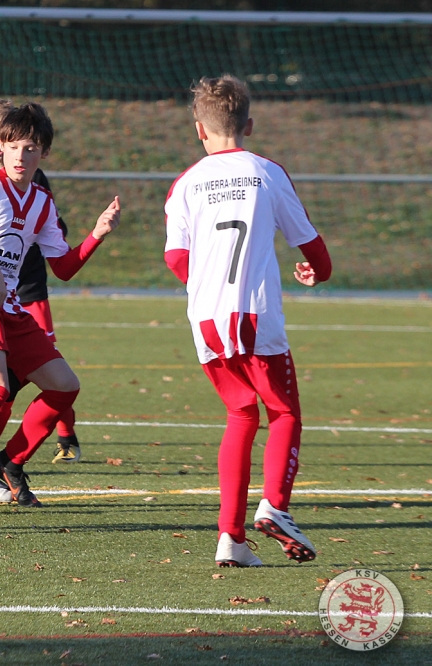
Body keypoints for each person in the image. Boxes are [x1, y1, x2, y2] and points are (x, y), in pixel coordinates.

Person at [164, 74, 332, 566]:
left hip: (207, 318)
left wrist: (208, 285)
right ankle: (275, 506)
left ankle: (231, 538)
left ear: (200, 129)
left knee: (240, 414)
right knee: (284, 413)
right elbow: (311, 245)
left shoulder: (185, 183)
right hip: (256, 312)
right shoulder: (267, 172)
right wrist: (318, 273)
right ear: (249, 125)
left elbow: (176, 258)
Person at [0, 102, 120, 507]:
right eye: (12, 146)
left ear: (43, 152)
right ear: (0, 146)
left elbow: (63, 267)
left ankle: (8, 462)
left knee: (65, 386)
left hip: (9, 308)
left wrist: (97, 234)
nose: (19, 156)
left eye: (30, 148)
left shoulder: (42, 202)